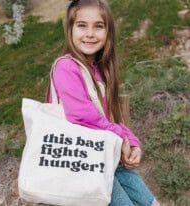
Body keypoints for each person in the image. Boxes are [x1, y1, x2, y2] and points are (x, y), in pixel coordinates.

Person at [47, 0, 160, 205]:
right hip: (81, 162)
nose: (90, 33)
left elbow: (108, 118)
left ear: (108, 32)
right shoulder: (66, 67)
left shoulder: (100, 70)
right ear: (70, 29)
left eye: (98, 26)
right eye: (82, 25)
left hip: (107, 157)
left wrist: (133, 142)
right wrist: (121, 137)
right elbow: (82, 116)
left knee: (149, 202)